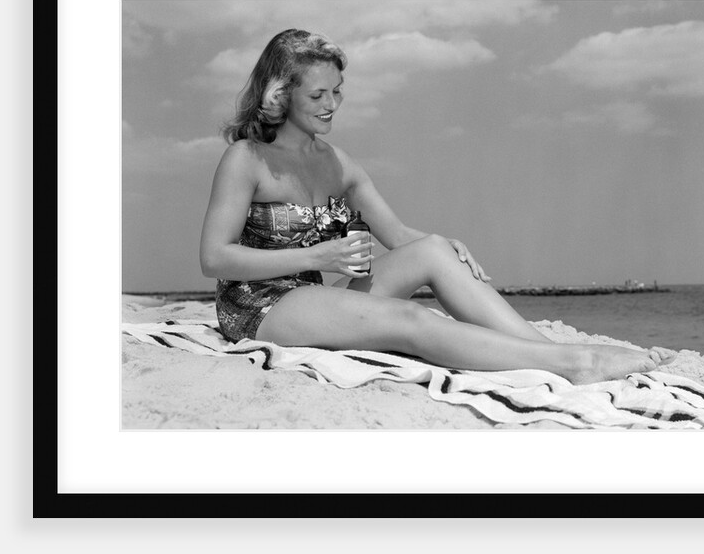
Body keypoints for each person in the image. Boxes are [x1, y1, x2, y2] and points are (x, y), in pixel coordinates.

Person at [200, 28, 673, 384]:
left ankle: (549, 353)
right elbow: (213, 257)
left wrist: (444, 247)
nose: (332, 105)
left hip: (316, 300)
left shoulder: (336, 162)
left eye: (338, 90)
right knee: (411, 321)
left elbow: (400, 237)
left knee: (430, 251)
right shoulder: (247, 158)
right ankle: (579, 363)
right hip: (258, 308)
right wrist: (315, 258)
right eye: (317, 94)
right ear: (281, 94)